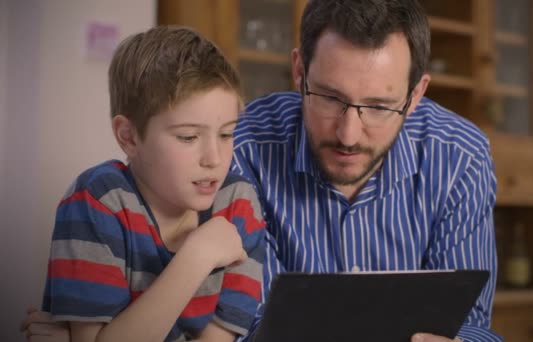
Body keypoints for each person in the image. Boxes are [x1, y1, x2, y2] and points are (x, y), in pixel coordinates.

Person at [23, 1, 500, 341]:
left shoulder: (461, 158)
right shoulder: (239, 145)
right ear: (298, 72)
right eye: (329, 98)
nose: (350, 133)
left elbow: (475, 323)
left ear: (416, 95)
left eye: (379, 106)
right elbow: (241, 323)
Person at [20, 26, 265, 342]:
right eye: (188, 137)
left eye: (227, 134)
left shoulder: (238, 204)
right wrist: (197, 256)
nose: (214, 158)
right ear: (129, 136)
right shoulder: (97, 201)